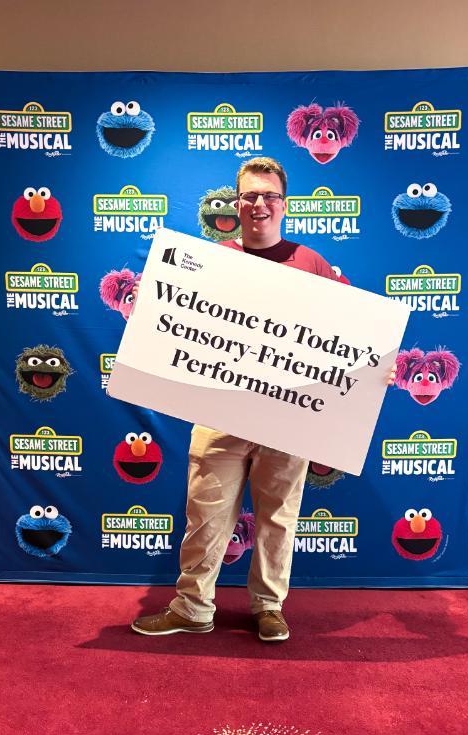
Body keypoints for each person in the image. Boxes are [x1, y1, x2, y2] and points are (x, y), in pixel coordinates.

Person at [130, 157, 394, 641]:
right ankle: (192, 607)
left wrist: (378, 367)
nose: (259, 205)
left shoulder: (311, 263)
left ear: (284, 204)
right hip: (220, 410)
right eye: (249, 196)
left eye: (269, 196)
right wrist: (152, 315)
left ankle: (269, 607)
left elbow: (350, 338)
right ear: (236, 203)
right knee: (205, 514)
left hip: (288, 417)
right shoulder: (213, 260)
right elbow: (183, 328)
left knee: (278, 517)